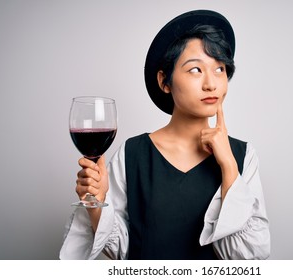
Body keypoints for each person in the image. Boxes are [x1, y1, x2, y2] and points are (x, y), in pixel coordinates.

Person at [60, 9, 270, 260]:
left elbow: (251, 258)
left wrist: (228, 167)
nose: (211, 84)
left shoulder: (243, 156)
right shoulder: (132, 154)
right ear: (164, 81)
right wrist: (98, 203)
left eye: (220, 69)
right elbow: (124, 252)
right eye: (195, 70)